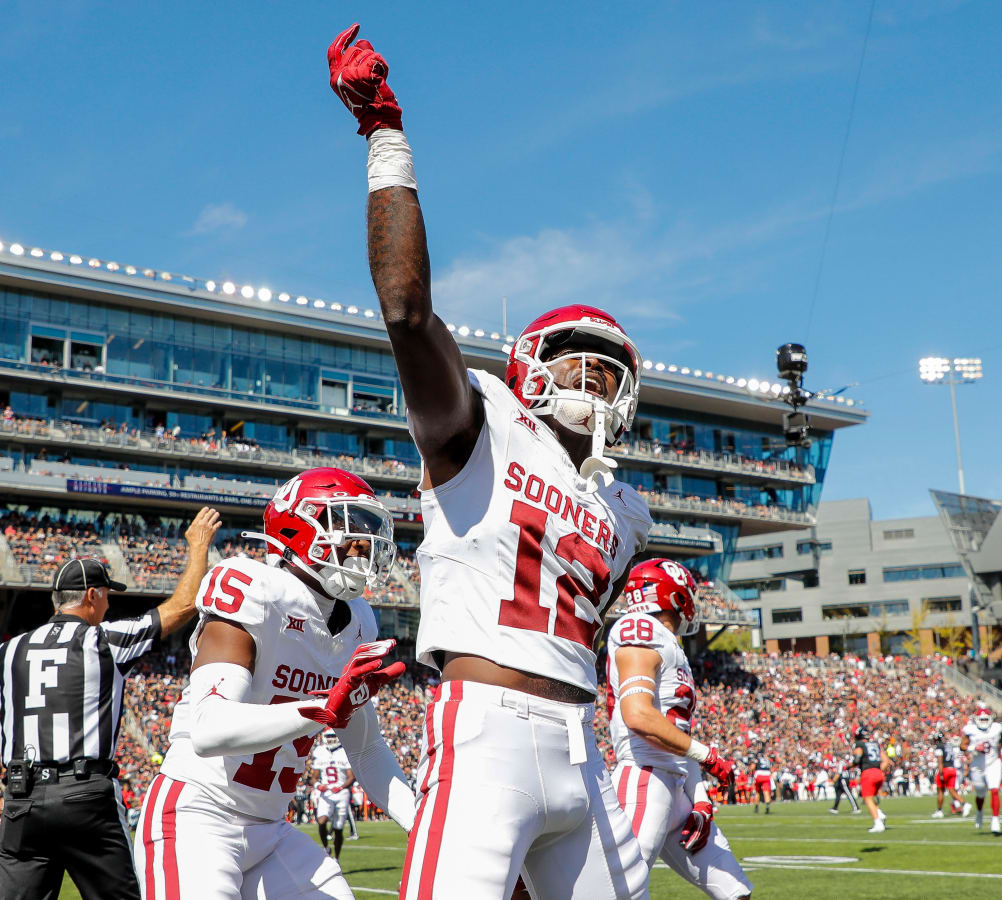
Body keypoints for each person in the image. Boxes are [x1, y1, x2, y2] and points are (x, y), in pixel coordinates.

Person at [327, 24, 683, 899]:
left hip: (583, 744)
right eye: (579, 361)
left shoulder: (620, 506)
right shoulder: (482, 421)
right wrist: (385, 138)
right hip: (485, 732)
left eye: (610, 370)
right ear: (530, 363)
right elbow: (408, 312)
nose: (595, 379)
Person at [135, 468, 415, 899]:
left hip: (271, 830)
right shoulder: (253, 586)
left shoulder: (360, 619)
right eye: (349, 524)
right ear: (298, 524)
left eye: (368, 526)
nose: (362, 540)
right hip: (197, 814)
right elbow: (209, 729)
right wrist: (320, 708)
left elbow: (367, 748)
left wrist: (428, 827)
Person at [0, 509, 219, 900]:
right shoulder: (105, 639)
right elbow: (184, 606)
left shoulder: (9, 651)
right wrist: (198, 546)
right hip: (85, 795)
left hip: (22, 799)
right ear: (92, 595)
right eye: (106, 597)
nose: (108, 607)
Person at [606, 558, 750, 900]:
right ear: (675, 594)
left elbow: (675, 733)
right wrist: (708, 756)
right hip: (645, 777)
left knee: (736, 892)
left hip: (676, 785)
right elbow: (639, 716)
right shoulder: (639, 629)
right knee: (620, 892)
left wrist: (699, 798)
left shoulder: (672, 645)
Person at [961, 704, 1002, 834]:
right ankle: (979, 812)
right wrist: (974, 748)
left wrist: (1001, 754)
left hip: (993, 763)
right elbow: (962, 746)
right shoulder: (971, 730)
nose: (984, 722)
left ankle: (995, 820)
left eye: (986, 719)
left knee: (995, 790)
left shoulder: (997, 728)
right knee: (980, 793)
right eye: (982, 719)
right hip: (977, 765)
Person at [312, 730, 355, 861]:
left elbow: (351, 776)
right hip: (326, 792)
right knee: (321, 821)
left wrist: (341, 787)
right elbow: (314, 777)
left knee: (338, 829)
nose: (331, 739)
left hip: (341, 793)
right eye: (328, 736)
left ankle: (336, 857)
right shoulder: (319, 751)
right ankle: (325, 847)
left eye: (333, 736)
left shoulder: (344, 752)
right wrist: (319, 786)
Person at [852, 726, 890, 833]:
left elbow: (857, 758)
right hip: (879, 773)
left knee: (867, 799)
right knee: (871, 797)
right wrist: (877, 770)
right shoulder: (875, 745)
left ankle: (878, 823)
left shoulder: (860, 745)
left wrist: (851, 765)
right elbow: (886, 761)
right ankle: (880, 813)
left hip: (868, 773)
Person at [930, 730, 963, 818]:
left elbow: (940, 761)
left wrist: (940, 774)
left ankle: (940, 810)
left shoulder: (939, 747)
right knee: (952, 789)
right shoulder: (948, 746)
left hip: (945, 769)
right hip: (953, 769)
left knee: (941, 790)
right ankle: (959, 805)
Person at [752, 748, 774, 814]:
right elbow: (771, 769)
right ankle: (767, 807)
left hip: (759, 775)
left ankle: (756, 807)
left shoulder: (757, 759)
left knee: (757, 792)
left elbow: (753, 767)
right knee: (766, 792)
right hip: (767, 775)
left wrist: (752, 771)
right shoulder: (767, 760)